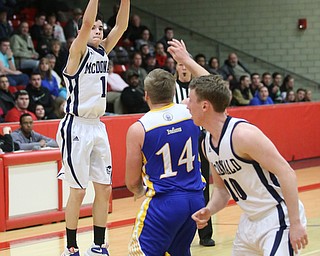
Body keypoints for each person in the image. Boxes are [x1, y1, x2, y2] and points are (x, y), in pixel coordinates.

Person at [167, 39, 308, 256]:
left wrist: (296, 224)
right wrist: (209, 209)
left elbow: (287, 173)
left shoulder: (242, 135)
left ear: (205, 106)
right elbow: (222, 191)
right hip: (249, 222)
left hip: (278, 216)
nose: (186, 104)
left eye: (190, 100)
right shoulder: (207, 144)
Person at [56, 1, 130, 255]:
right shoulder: (77, 52)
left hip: (97, 126)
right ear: (83, 33)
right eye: (95, 28)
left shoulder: (103, 52)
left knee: (104, 187)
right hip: (75, 125)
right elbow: (86, 23)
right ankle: (71, 247)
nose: (99, 30)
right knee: (78, 190)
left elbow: (121, 26)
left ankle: (99, 245)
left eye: (101, 27)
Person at [125, 68, 206, 255]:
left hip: (165, 203)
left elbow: (131, 182)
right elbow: (212, 85)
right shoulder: (189, 111)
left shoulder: (139, 128)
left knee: (138, 252)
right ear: (173, 90)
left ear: (146, 95)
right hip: (195, 199)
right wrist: (186, 60)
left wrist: (139, 191)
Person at [173, 59, 215, 246]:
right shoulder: (171, 88)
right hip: (178, 141)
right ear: (176, 68)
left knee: (202, 184)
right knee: (177, 187)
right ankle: (177, 232)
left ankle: (205, 233)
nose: (183, 68)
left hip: (199, 140)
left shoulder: (198, 88)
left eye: (186, 64)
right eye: (180, 65)